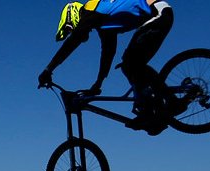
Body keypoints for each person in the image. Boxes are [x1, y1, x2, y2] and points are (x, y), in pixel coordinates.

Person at [38, 1, 175, 135]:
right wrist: (98, 83)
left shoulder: (91, 9)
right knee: (130, 65)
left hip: (158, 14)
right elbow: (108, 53)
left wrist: (48, 69)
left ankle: (160, 107)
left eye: (70, 27)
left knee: (131, 64)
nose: (73, 31)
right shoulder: (104, 23)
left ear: (72, 15)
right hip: (160, 17)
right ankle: (161, 111)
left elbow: (73, 41)